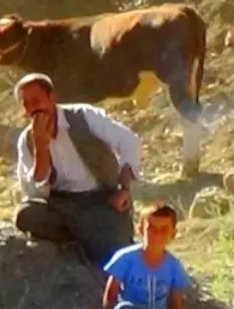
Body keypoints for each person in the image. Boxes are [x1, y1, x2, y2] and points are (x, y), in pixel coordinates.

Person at [12, 72, 141, 266]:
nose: (33, 109)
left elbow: (129, 141)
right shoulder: (27, 140)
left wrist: (124, 189)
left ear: (52, 97)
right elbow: (33, 190)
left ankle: (89, 236)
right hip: (63, 204)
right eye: (26, 105)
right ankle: (89, 233)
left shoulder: (84, 116)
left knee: (112, 249)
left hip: (101, 197)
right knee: (25, 215)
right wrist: (41, 148)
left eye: (36, 101)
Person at [101, 202, 191, 309]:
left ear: (173, 234)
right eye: (151, 228)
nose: (157, 234)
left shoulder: (174, 266)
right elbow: (109, 299)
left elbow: (176, 304)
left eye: (164, 229)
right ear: (141, 230)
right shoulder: (125, 258)